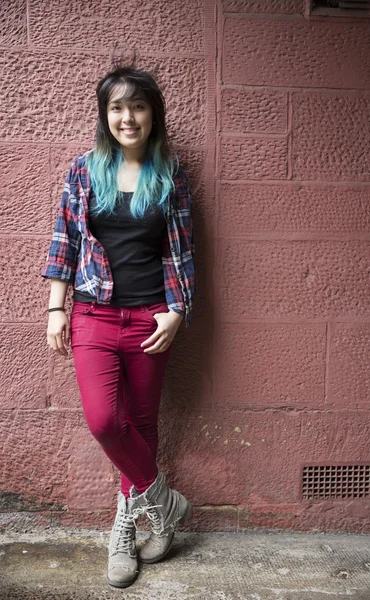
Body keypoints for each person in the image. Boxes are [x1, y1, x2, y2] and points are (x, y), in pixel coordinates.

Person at [41, 65, 195, 589]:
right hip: (94, 315)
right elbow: (64, 240)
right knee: (107, 421)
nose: (127, 117)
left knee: (143, 425)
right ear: (105, 116)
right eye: (116, 108)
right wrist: (55, 308)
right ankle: (163, 500)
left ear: (154, 114)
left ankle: (125, 528)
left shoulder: (170, 173)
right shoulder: (83, 171)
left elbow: (180, 250)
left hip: (152, 317)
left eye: (137, 107)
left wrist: (178, 309)